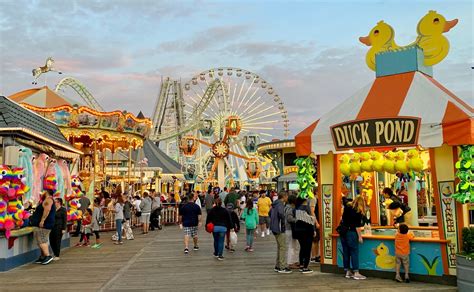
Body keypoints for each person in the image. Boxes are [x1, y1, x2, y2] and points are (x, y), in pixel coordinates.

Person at [340, 195, 366, 280]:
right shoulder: (358, 211)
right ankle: (356, 272)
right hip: (351, 233)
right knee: (354, 252)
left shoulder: (347, 208)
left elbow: (342, 219)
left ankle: (347, 271)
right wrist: (360, 237)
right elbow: (357, 226)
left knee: (346, 252)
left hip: (343, 232)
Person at [31, 189, 56, 265]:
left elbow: (47, 210)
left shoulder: (48, 200)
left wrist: (42, 220)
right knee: (41, 240)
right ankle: (43, 256)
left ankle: (48, 256)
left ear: (47, 192)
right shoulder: (46, 200)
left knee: (41, 240)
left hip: (45, 224)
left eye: (44, 191)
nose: (42, 192)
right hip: (43, 224)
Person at [270, 192, 291, 273]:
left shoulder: (275, 204)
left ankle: (278, 265)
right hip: (279, 228)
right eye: (287, 196)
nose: (287, 198)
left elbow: (269, 213)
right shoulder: (281, 204)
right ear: (284, 197)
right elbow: (281, 214)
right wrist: (283, 221)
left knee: (280, 247)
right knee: (282, 247)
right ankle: (282, 267)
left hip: (274, 227)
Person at [293, 197, 316, 274]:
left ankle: (301, 265)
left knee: (302, 248)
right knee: (307, 249)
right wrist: (314, 230)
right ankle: (305, 267)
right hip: (307, 231)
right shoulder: (306, 208)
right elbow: (311, 221)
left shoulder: (296, 208)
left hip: (299, 231)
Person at [284, 194, 300, 269]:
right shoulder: (289, 208)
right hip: (290, 229)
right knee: (292, 246)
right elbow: (289, 218)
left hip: (290, 229)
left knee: (295, 245)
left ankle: (295, 261)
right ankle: (290, 262)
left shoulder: (287, 207)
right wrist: (298, 220)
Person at [308, 195, 321, 263]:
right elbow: (312, 211)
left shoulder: (316, 199)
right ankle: (313, 256)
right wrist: (316, 222)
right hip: (314, 222)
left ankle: (317, 255)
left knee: (317, 240)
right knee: (315, 240)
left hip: (316, 221)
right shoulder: (314, 199)